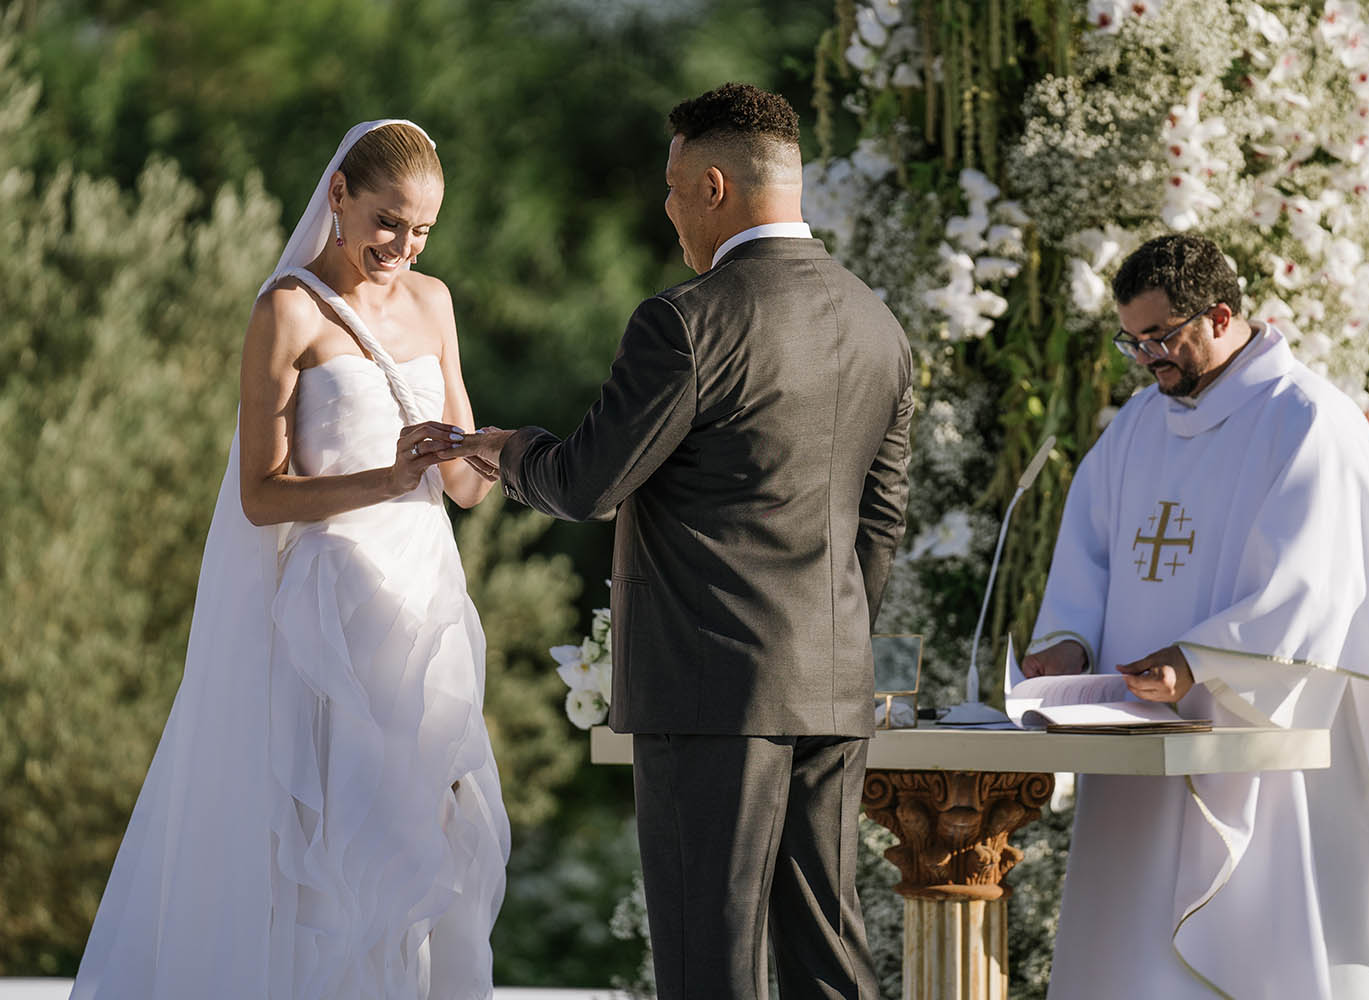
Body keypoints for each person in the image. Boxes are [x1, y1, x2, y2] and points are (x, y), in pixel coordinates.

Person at [460, 83, 912, 999]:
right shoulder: (880, 323)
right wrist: (831, 642)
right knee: (829, 951)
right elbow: (882, 520)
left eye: (671, 188)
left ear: (714, 186)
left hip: (710, 695)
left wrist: (505, 450)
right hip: (832, 684)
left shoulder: (686, 323)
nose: (664, 209)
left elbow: (588, 481)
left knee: (712, 956)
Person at [70, 120, 510, 999]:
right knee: (329, 837)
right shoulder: (288, 309)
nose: (404, 246)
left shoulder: (436, 302)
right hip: (330, 612)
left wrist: (490, 453)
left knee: (424, 831)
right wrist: (388, 477)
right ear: (339, 196)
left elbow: (465, 490)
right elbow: (261, 495)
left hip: (424, 601)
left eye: (422, 230)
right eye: (388, 220)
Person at [1022, 233, 1369, 999]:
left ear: (1219, 314)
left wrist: (1200, 661)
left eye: (1160, 338)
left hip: (1261, 733)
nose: (1146, 359)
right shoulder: (1139, 425)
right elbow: (1089, 554)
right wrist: (1069, 644)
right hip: (1139, 741)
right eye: (1132, 341)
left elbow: (1316, 585)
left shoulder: (1307, 418)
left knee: (1263, 942)